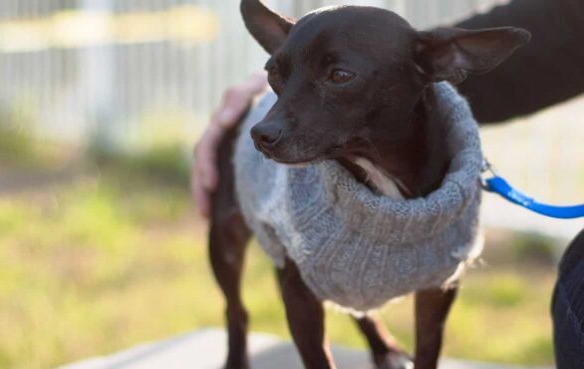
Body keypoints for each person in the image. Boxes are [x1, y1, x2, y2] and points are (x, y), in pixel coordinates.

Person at [191, 0, 584, 366]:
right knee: (261, 256)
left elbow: (438, 281)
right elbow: (567, 23)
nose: (266, 128)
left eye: (339, 75)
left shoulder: (452, 210)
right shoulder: (301, 204)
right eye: (280, 75)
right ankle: (236, 326)